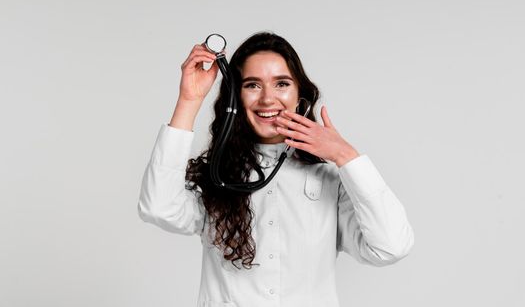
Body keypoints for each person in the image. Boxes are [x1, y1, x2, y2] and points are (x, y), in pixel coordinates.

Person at [138, 32, 414, 307]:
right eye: (252, 85)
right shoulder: (218, 179)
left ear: (299, 95)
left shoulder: (331, 181)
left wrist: (345, 155)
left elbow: (390, 246)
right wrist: (189, 100)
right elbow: (158, 208)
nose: (268, 99)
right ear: (235, 96)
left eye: (281, 84)